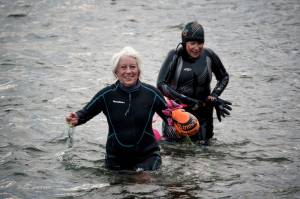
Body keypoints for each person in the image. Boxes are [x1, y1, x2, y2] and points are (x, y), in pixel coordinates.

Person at [66, 46, 168, 171]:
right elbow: (85, 113)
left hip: (148, 156)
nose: (128, 71)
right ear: (116, 72)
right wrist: (76, 118)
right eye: (123, 67)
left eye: (133, 67)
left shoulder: (152, 93)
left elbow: (171, 117)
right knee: (117, 189)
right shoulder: (107, 95)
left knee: (143, 183)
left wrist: (183, 121)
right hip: (115, 159)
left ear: (139, 70)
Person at [157, 21, 232, 144]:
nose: (196, 48)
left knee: (205, 151)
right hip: (178, 113)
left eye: (200, 43)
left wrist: (214, 96)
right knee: (175, 150)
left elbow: (224, 77)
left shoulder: (209, 56)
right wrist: (189, 101)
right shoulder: (175, 56)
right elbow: (161, 84)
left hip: (204, 113)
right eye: (192, 43)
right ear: (184, 42)